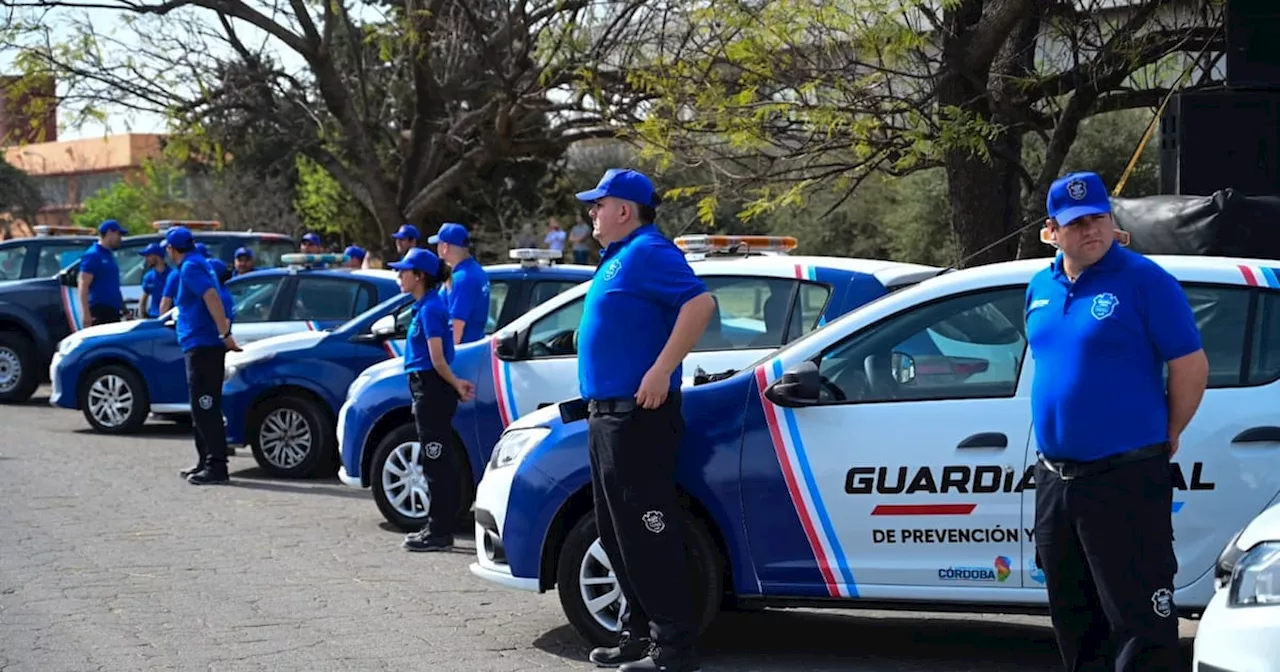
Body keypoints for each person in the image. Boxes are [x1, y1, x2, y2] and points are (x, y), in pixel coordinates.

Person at [1027, 171, 1209, 672]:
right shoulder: (1040, 286)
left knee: (1139, 626)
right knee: (1074, 619)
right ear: (1052, 231)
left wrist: (1168, 433)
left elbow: (1191, 366)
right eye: (1077, 222)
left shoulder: (1146, 282)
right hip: (1057, 482)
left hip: (1124, 477)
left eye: (1099, 218)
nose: (1091, 230)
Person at [574, 168, 715, 672]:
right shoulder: (619, 257)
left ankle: (673, 650)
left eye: (598, 204)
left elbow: (700, 304)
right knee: (617, 533)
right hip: (608, 419)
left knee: (647, 534)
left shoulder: (650, 251)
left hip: (638, 419)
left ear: (624, 210)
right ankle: (636, 636)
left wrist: (661, 369)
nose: (592, 212)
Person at [389, 248, 476, 552]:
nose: (399, 276)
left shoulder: (431, 309)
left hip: (433, 389)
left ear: (419, 276)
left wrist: (455, 384)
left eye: (404, 271)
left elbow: (438, 359)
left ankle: (439, 531)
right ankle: (437, 526)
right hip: (428, 388)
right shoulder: (425, 305)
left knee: (436, 462)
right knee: (436, 459)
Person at [163, 226, 242, 485]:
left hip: (204, 345)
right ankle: (204, 460)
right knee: (200, 407)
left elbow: (211, 297)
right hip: (199, 345)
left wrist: (223, 334)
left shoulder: (190, 268)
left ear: (172, 249)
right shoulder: (199, 263)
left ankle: (217, 467)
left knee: (205, 407)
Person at [428, 223, 490, 344]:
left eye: (438, 244)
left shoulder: (461, 279)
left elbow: (456, 327)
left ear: (445, 247)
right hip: (473, 348)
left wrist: (446, 360)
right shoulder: (476, 271)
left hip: (462, 353)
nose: (437, 249)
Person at [77, 219, 126, 328]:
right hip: (99, 310)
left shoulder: (109, 255)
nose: (120, 238)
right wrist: (86, 313)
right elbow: (83, 284)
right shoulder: (93, 255)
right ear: (109, 232)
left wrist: (125, 310)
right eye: (118, 234)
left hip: (112, 310)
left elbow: (114, 286)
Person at [137, 243, 172, 319]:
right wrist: (143, 316)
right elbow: (144, 298)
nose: (146, 259)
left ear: (157, 257)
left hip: (170, 316)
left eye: (148, 256)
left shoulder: (172, 275)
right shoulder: (149, 277)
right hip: (154, 317)